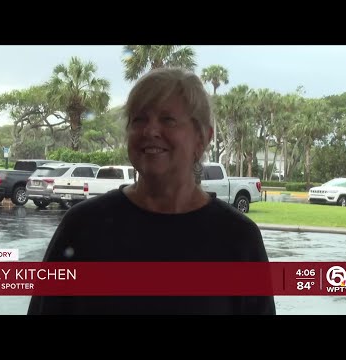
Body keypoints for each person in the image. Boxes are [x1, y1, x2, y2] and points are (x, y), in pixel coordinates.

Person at [27, 67, 276, 315]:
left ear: (202, 138)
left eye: (167, 119)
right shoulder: (82, 227)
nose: (150, 131)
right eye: (139, 119)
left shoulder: (238, 239)